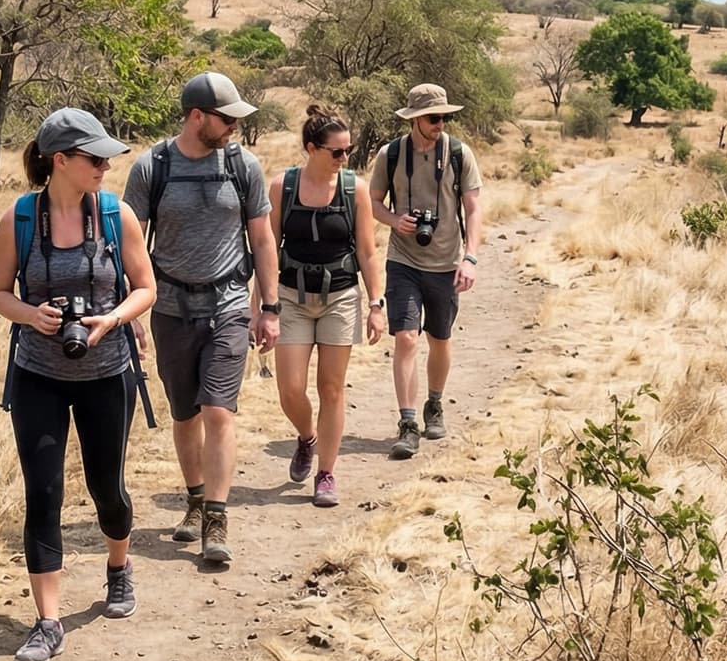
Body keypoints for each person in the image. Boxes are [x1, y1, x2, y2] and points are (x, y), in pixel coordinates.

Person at [0, 109, 157, 661]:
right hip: (38, 374)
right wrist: (32, 315)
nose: (106, 166)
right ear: (61, 161)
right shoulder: (20, 218)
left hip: (106, 373)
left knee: (108, 487)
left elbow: (146, 287)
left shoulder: (116, 214)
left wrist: (111, 319)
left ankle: (118, 566)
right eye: (94, 158)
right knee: (44, 492)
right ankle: (48, 622)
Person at [122, 71, 279, 567]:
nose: (234, 126)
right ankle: (193, 499)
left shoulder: (243, 165)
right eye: (226, 117)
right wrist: (133, 311)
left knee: (218, 412)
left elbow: (262, 239)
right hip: (169, 308)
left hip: (228, 306)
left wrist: (268, 307)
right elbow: (130, 242)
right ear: (196, 117)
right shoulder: (152, 167)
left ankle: (216, 515)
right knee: (185, 414)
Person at [268, 103, 384, 508]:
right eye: (336, 151)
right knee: (291, 389)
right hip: (291, 297)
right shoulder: (282, 186)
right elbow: (267, 249)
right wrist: (261, 306)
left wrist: (376, 303)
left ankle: (326, 473)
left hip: (340, 297)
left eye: (348, 151)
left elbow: (368, 253)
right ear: (311, 148)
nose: (344, 158)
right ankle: (306, 437)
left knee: (331, 389)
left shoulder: (355, 190)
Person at [367, 82, 485, 459]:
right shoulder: (391, 154)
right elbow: (373, 203)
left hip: (447, 262)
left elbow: (474, 208)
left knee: (440, 339)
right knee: (405, 338)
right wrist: (393, 220)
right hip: (403, 260)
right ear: (415, 119)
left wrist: (471, 258)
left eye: (445, 117)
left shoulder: (458, 154)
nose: (441, 124)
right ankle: (407, 423)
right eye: (434, 118)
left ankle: (434, 403)